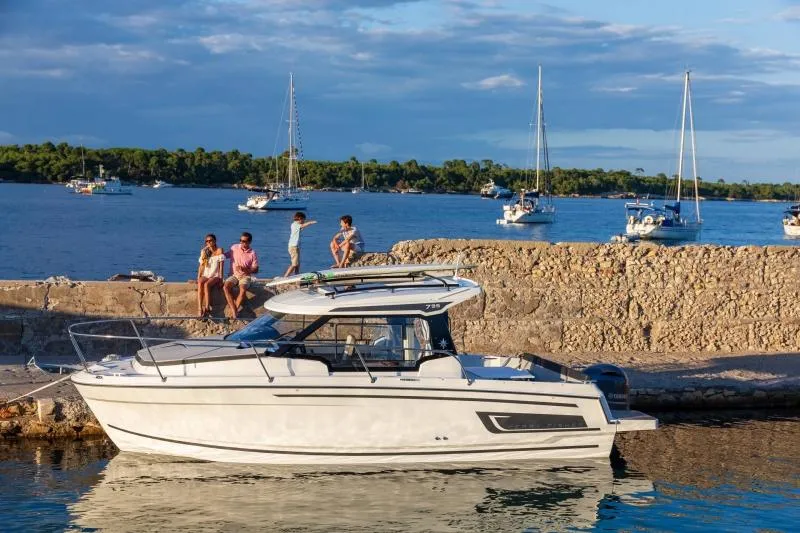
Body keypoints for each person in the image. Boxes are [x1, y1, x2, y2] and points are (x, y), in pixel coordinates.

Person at [223, 232, 259, 319]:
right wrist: (215, 253)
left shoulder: (252, 253)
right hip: (234, 275)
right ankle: (234, 311)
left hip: (245, 276)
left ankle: (234, 312)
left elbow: (256, 269)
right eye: (241, 240)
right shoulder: (234, 247)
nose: (242, 243)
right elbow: (225, 255)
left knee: (242, 290)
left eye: (244, 241)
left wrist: (245, 269)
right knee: (226, 287)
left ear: (249, 242)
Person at [196, 234, 225, 317]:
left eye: (210, 240)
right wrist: (198, 277)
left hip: (216, 275)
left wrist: (221, 279)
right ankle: (200, 308)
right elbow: (201, 265)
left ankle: (207, 306)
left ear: (215, 241)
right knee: (200, 282)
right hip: (206, 274)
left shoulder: (220, 250)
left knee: (207, 284)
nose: (208, 242)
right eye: (207, 241)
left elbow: (221, 266)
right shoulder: (204, 251)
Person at [284, 212, 317, 277]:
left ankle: (297, 276)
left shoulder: (295, 225)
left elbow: (301, 227)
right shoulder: (295, 225)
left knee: (297, 264)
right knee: (294, 264)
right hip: (293, 247)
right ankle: (285, 277)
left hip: (295, 246)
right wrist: (310, 222)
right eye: (303, 220)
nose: (304, 221)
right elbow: (302, 226)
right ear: (299, 218)